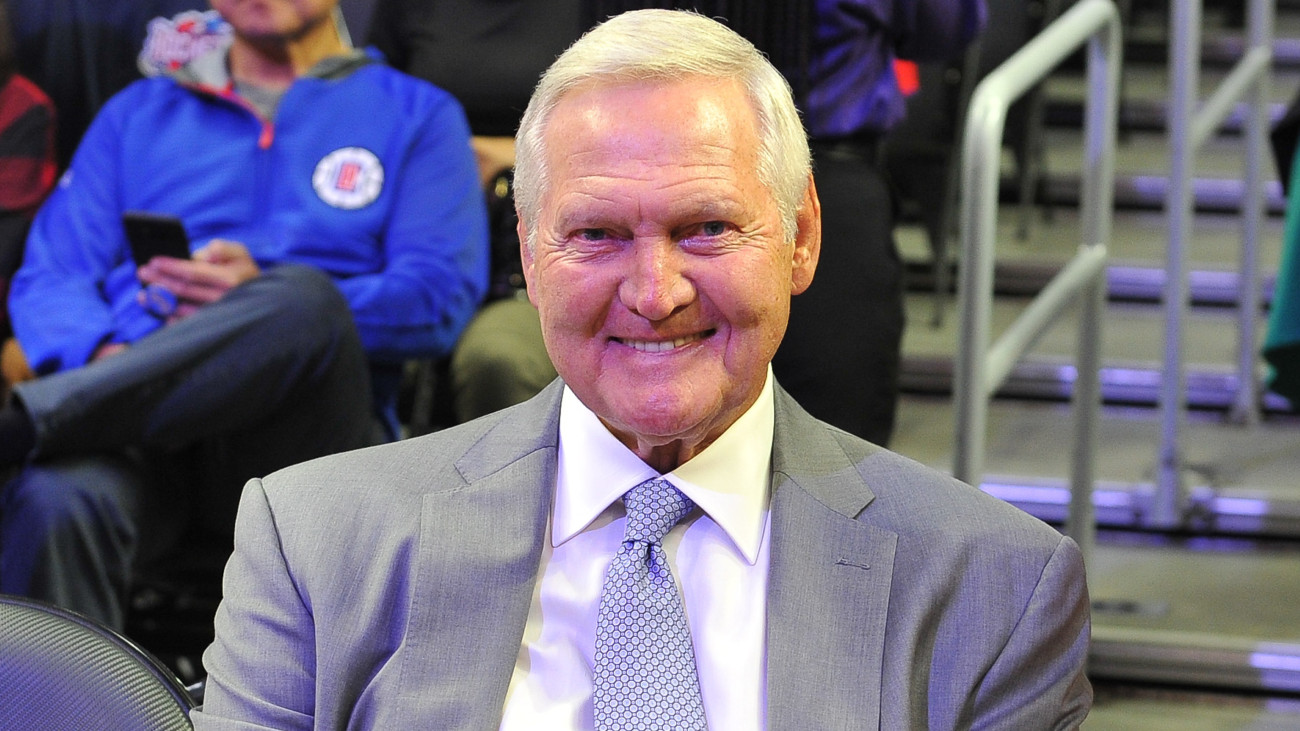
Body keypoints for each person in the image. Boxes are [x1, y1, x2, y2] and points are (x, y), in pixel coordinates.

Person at [193, 9, 1090, 729]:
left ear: (802, 237)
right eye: (596, 234)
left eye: (705, 227)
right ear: (531, 256)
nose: (654, 292)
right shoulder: (312, 544)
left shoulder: (995, 590)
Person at [0, 0, 486, 632]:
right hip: (139, 430)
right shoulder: (138, 113)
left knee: (304, 299)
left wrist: (262, 296)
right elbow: (52, 276)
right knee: (54, 499)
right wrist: (105, 358)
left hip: (309, 443)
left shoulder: (418, 114)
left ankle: (25, 426)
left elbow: (437, 296)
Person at [369, 0, 984, 446]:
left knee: (834, 470)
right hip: (621, 160)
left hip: (821, 165)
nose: (655, 295)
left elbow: (945, 26)